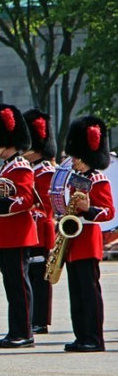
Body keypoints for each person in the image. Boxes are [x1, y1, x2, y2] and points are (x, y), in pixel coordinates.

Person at [0, 104, 37, 349]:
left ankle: (24, 332)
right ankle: (16, 330)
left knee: (19, 285)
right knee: (12, 286)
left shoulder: (21, 166)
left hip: (18, 234)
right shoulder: (8, 167)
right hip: (6, 233)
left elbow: (26, 199)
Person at [61, 116, 114, 352]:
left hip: (88, 239)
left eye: (77, 157)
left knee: (89, 292)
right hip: (74, 239)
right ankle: (81, 335)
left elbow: (108, 211)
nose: (74, 161)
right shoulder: (76, 179)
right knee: (77, 293)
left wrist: (88, 209)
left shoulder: (97, 179)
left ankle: (94, 337)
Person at [22, 109, 57, 335]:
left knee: (39, 276)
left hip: (40, 229)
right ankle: (32, 317)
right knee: (29, 274)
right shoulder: (30, 169)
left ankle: (40, 319)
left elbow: (45, 207)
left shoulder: (45, 171)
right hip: (28, 229)